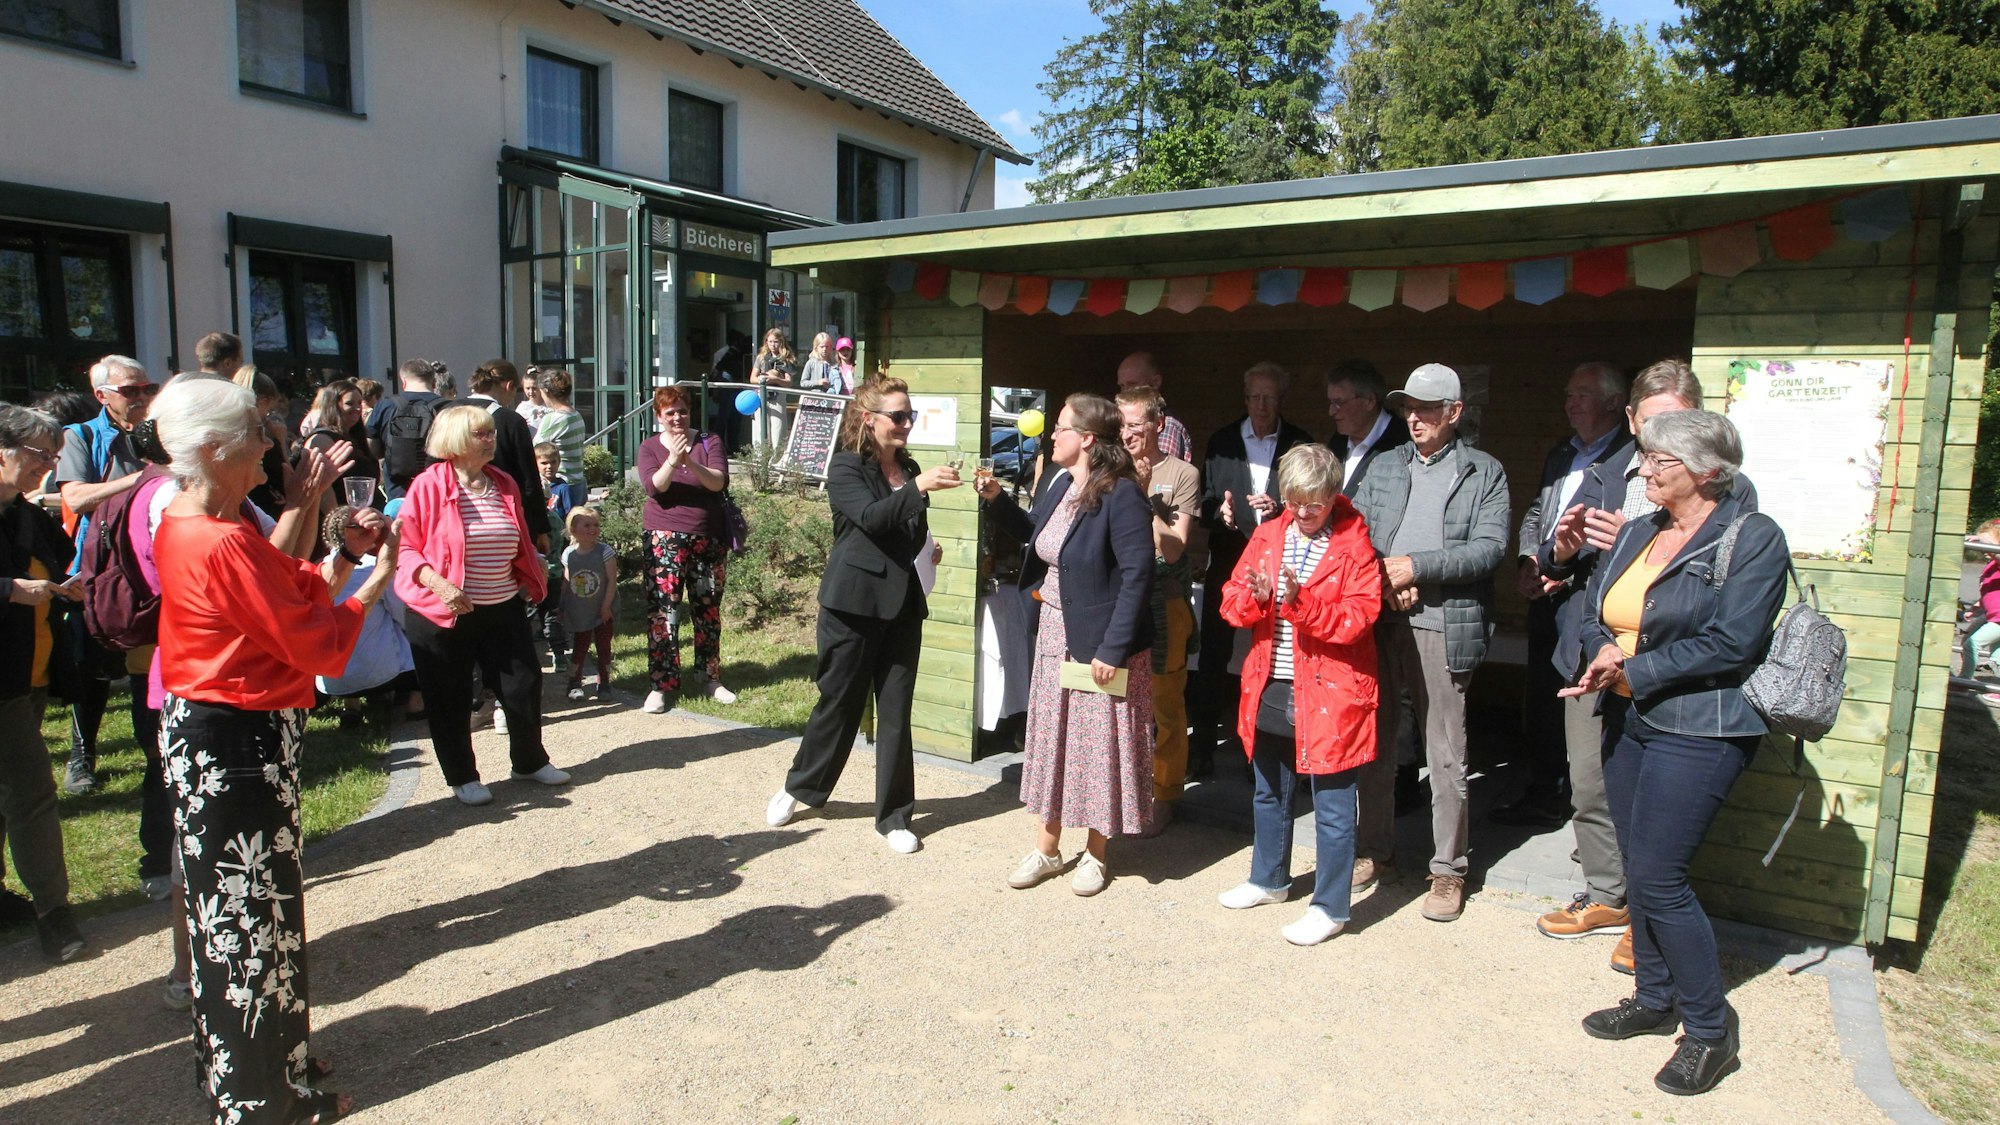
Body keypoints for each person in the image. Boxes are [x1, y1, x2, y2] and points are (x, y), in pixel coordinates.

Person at [150, 376, 389, 1122]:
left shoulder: (196, 522)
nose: (272, 445)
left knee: (264, 919)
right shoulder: (214, 538)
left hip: (232, 736)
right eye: (258, 433)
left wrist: (335, 552)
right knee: (248, 928)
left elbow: (282, 585)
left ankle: (274, 1071)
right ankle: (257, 1100)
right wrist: (377, 581)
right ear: (216, 450)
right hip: (231, 742)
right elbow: (310, 636)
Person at [1564, 409, 1787, 1097]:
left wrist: (1637, 670)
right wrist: (1602, 644)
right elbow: (1594, 605)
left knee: (1661, 874)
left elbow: (1733, 641)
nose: (1645, 471)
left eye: (1659, 461)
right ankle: (1655, 1000)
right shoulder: (1640, 529)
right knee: (1638, 864)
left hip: (1706, 727)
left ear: (1707, 470)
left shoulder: (1754, 538)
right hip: (1637, 718)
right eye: (1646, 459)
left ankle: (1709, 1030)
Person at [1533, 359, 1758, 966]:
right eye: (1652, 426)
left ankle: (1649, 916)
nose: (1660, 442)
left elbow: (1727, 609)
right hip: (1593, 649)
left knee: (1662, 811)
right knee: (1591, 784)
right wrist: (1563, 548)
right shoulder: (1603, 469)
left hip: (1675, 678)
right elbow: (1552, 560)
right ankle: (1609, 897)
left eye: (1677, 425)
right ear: (1630, 419)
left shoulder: (1731, 496)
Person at [767, 377, 960, 853]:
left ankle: (894, 818)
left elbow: (905, 530)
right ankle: (801, 787)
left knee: (895, 713)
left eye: (909, 414)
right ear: (869, 419)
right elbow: (873, 519)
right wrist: (917, 487)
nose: (907, 423)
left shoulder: (909, 468)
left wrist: (925, 551)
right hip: (851, 606)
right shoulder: (846, 468)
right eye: (898, 416)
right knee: (839, 703)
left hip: (902, 606)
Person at [1350, 363, 1510, 922]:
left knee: (1446, 750)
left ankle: (1448, 870)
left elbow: (1490, 549)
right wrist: (1385, 584)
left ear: (1455, 413)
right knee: (1376, 742)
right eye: (1407, 407)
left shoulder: (1483, 471)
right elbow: (1356, 534)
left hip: (1446, 624)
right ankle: (1374, 850)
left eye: (1425, 407)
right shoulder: (1386, 465)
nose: (1413, 417)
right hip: (1383, 617)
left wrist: (1415, 567)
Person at [983, 393, 1155, 895]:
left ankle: (1097, 855)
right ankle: (1047, 849)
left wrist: (1113, 648)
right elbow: (1040, 537)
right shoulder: (1061, 482)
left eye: (1060, 428)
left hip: (1101, 640)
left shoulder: (1121, 493)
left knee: (1100, 747)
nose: (1050, 435)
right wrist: (997, 500)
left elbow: (1138, 573)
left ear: (1087, 439)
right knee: (1055, 742)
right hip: (1055, 633)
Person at [1214, 444, 1381, 944]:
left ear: (1333, 495)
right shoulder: (1268, 535)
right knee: (1268, 790)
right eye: (1295, 501)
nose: (1304, 512)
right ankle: (1269, 879)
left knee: (1331, 806)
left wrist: (1300, 601)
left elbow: (1358, 620)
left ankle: (1331, 907)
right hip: (1272, 680)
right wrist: (1256, 597)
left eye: (1314, 503)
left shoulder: (1355, 546)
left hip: (1333, 691)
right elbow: (1231, 602)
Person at [394, 405, 571, 805]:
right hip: (442, 609)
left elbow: (518, 538)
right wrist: (439, 584)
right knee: (451, 695)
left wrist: (530, 574)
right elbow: (404, 549)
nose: (492, 439)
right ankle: (462, 776)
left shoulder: (502, 481)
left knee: (524, 682)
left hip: (501, 603)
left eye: (491, 432)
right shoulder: (428, 486)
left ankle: (528, 761)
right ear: (456, 441)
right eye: (482, 434)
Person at [1494, 362, 1629, 828]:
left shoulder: (1627, 461)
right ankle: (1544, 793)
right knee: (1544, 699)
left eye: (1584, 393)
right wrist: (1530, 561)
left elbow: (1619, 536)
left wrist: (1565, 573)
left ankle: (1591, 816)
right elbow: (1538, 511)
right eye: (1569, 393)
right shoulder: (1562, 452)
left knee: (1584, 705)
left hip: (1588, 601)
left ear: (1614, 402)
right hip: (1544, 596)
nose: (1572, 401)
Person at [1194, 363, 1314, 778]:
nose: (1261, 406)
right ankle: (1203, 745)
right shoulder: (1223, 440)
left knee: (1276, 653)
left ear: (1282, 400)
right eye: (1254, 397)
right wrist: (1219, 511)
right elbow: (1204, 501)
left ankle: (1268, 753)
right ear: (1244, 399)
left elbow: (1313, 502)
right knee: (1214, 652)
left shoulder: (1300, 443)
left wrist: (1280, 509)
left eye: (1269, 398)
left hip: (1283, 564)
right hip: (1229, 560)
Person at [0, 404, 88, 962]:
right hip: (5, 682)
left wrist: (68, 584)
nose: (48, 468)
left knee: (17, 791)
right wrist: (6, 589)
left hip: (28, 674)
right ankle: (53, 913)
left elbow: (60, 564)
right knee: (32, 793)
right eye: (40, 456)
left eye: (54, 458)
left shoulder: (24, 512)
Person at [53, 354, 158, 795]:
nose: (140, 398)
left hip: (146, 569)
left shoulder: (157, 432)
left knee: (144, 660)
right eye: (129, 391)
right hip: (96, 572)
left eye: (146, 389)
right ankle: (81, 756)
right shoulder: (79, 436)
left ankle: (154, 747)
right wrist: (141, 482)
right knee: (90, 670)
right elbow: (76, 499)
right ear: (102, 396)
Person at [1116, 386, 1199, 821]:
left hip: (1164, 603)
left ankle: (1165, 795)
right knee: (1118, 699)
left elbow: (1175, 548)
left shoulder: (1182, 473)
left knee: (1166, 704)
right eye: (1121, 424)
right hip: (1119, 602)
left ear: (1158, 426)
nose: (1126, 434)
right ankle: (1124, 788)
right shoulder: (1109, 468)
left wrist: (1143, 498)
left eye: (1134, 424)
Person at [634, 385, 736, 713]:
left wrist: (689, 462)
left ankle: (710, 678)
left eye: (682, 410)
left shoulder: (709, 441)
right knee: (663, 609)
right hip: (663, 537)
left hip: (708, 536)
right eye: (670, 413)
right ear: (658, 416)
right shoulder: (649, 447)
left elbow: (718, 481)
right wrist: (672, 461)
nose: (677, 417)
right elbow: (654, 487)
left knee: (707, 609)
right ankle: (662, 684)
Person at [315, 505, 417, 728]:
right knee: (413, 628)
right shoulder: (374, 567)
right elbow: (402, 614)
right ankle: (416, 702)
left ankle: (351, 706)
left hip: (331, 679)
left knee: (348, 633)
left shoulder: (317, 570)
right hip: (380, 674)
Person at [465, 359, 552, 549]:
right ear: (509, 385)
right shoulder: (510, 421)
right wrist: (540, 528)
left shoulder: (446, 412)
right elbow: (529, 479)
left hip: (456, 515)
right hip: (501, 520)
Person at [1324, 359, 1409, 499]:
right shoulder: (1337, 442)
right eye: (1331, 402)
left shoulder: (1403, 444)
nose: (1331, 412)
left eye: (1339, 403)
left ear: (1369, 401)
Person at [562, 507, 618, 701]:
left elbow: (612, 580)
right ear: (574, 528)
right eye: (587, 525)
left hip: (602, 610)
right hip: (580, 612)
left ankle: (604, 682)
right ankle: (575, 682)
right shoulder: (569, 553)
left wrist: (606, 607)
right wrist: (562, 606)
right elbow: (567, 583)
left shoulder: (604, 551)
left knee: (604, 647)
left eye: (596, 525)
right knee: (579, 647)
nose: (593, 529)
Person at [368, 358, 447, 495]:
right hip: (437, 486)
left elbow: (372, 448)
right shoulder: (447, 406)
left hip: (397, 488)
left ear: (403, 382)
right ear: (434, 382)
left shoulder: (385, 405)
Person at [536, 441, 582, 669]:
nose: (549, 466)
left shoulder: (561, 491)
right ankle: (559, 653)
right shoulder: (551, 520)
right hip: (553, 569)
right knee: (551, 614)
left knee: (544, 612)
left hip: (543, 569)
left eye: (553, 462)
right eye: (543, 462)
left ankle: (553, 652)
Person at [233, 366, 292, 519]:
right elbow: (286, 471)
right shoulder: (257, 435)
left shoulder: (234, 430)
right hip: (261, 510)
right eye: (270, 409)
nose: (270, 415)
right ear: (262, 401)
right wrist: (280, 439)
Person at [1115, 351, 1194, 462]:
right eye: (1122, 386)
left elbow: (1160, 473)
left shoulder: (1169, 425)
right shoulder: (1120, 421)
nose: (1125, 391)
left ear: (1155, 382)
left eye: (1132, 384)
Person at [535, 367, 589, 490]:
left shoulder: (553, 418)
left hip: (560, 484)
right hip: (578, 482)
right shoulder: (576, 415)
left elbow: (535, 449)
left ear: (546, 391)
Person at [750, 328, 798, 454]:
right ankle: (761, 461)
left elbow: (789, 383)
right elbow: (752, 378)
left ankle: (776, 461)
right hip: (762, 395)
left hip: (778, 396)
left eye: (776, 342)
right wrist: (763, 379)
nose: (773, 345)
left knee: (778, 430)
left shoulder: (787, 359)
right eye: (770, 342)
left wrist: (775, 379)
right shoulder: (761, 358)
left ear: (781, 342)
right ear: (766, 342)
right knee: (761, 430)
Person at [1966, 518, 2000, 696]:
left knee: (1971, 643)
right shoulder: (1990, 567)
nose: (1984, 550)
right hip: (1992, 616)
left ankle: (1963, 681)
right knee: (1996, 658)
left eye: (1989, 545)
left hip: (1999, 620)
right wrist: (1976, 607)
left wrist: (1986, 544)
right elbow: (1989, 592)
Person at [516, 367, 553, 432]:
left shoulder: (550, 407)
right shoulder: (522, 408)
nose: (531, 392)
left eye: (534, 388)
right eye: (527, 388)